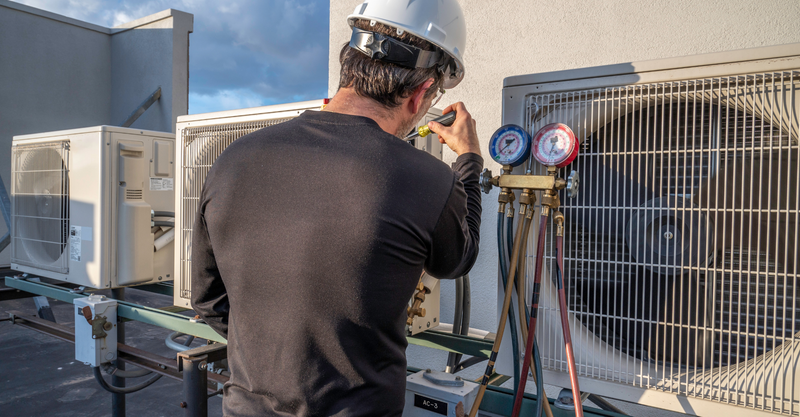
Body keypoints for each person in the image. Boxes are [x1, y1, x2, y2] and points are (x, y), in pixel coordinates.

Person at [191, 1, 482, 415]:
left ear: (348, 63)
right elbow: (457, 259)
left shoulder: (234, 159)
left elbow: (209, 300)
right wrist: (468, 159)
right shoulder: (428, 179)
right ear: (420, 96)